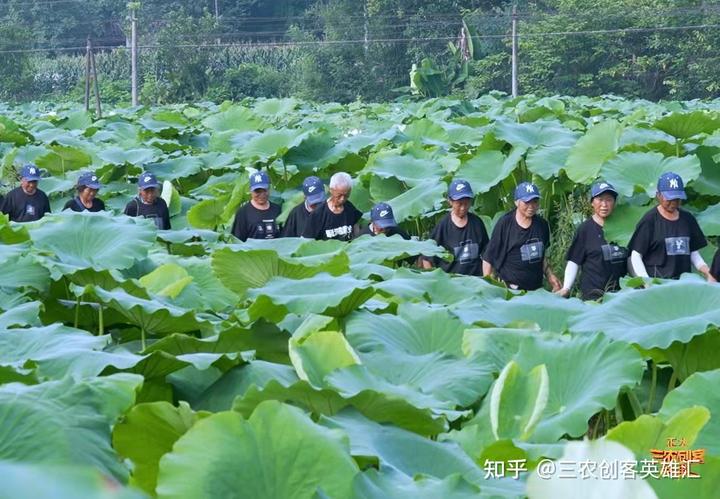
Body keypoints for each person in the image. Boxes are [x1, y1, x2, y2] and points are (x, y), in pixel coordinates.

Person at [628, 172, 714, 281]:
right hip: (657, 283)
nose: (673, 203)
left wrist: (707, 271)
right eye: (669, 199)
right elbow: (636, 255)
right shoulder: (649, 220)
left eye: (677, 199)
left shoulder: (687, 219)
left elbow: (692, 252)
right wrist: (646, 282)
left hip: (682, 283)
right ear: (658, 195)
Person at [483, 181, 561, 291]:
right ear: (516, 202)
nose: (531, 206)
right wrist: (488, 287)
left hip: (535, 290)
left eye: (535, 202)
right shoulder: (505, 224)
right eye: (526, 202)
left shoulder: (542, 225)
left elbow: (542, 256)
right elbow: (488, 258)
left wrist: (550, 276)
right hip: (511, 289)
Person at [558, 181, 627, 300]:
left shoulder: (624, 227)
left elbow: (631, 257)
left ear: (614, 203)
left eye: (609, 200)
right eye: (600, 199)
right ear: (592, 203)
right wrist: (566, 288)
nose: (604, 204)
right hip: (594, 295)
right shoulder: (585, 229)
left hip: (620, 295)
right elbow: (574, 261)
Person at [421, 179, 488, 276]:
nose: (463, 207)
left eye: (466, 203)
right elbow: (427, 257)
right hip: (452, 284)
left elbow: (488, 254)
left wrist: (487, 279)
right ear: (450, 201)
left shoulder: (477, 223)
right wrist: (435, 281)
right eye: (459, 203)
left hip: (475, 282)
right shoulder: (443, 225)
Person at [302, 172, 362, 241]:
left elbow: (356, 227)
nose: (342, 199)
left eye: (346, 195)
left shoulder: (350, 208)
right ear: (331, 190)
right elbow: (306, 240)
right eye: (339, 195)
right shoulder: (318, 213)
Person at [231, 170, 281, 241]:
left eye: (264, 190)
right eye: (257, 191)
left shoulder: (277, 209)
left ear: (269, 189)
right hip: (252, 251)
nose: (262, 194)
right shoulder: (243, 212)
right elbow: (237, 241)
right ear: (251, 191)